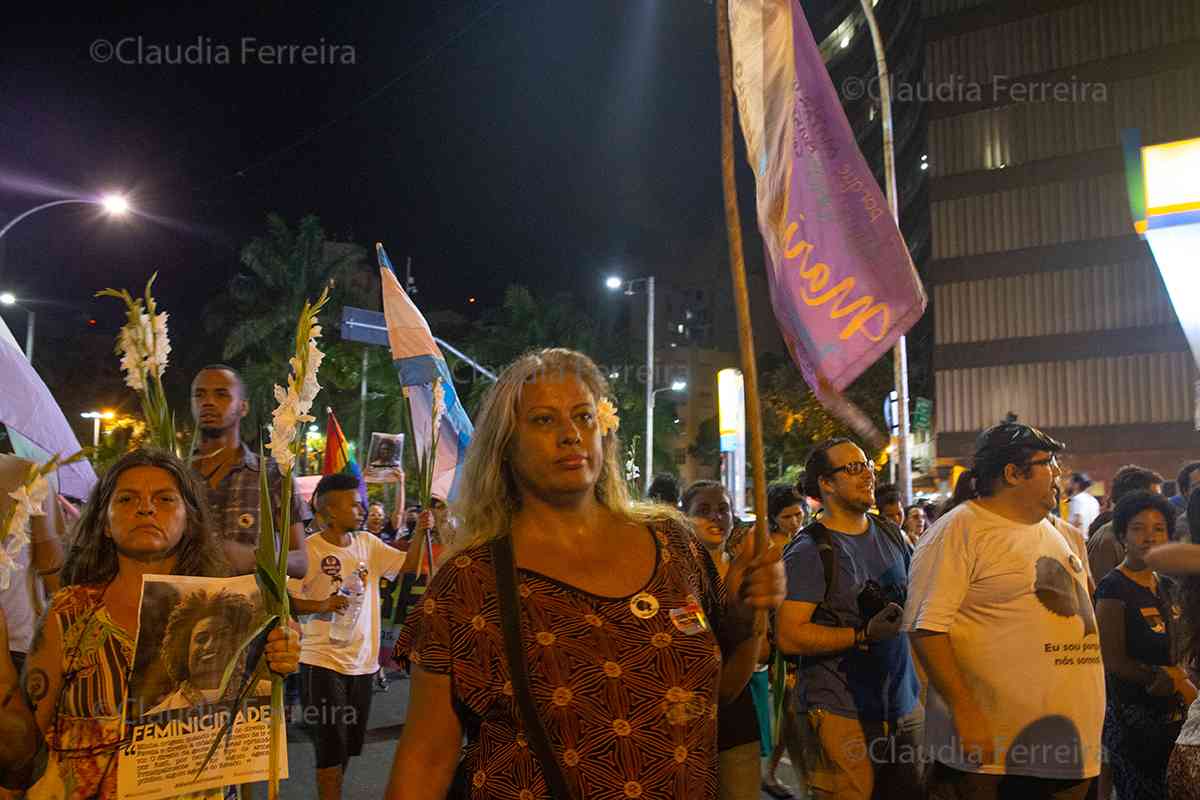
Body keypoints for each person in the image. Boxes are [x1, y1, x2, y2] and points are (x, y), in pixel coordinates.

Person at [385, 348, 784, 800]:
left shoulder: (675, 544)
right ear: (505, 446)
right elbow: (425, 758)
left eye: (583, 416)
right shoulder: (468, 583)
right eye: (543, 421)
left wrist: (749, 617)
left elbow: (715, 698)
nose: (571, 434)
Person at [0, 449, 300, 798]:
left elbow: (245, 727)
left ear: (190, 520)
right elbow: (25, 748)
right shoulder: (69, 612)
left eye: (165, 498)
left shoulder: (232, 611)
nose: (146, 508)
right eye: (127, 498)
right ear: (105, 523)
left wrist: (277, 660)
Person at [904, 422, 1102, 799]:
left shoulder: (1053, 530)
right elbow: (926, 627)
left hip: (1069, 748)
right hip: (997, 757)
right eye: (1048, 462)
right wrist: (966, 712)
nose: (1059, 472)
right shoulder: (961, 529)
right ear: (1012, 473)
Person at [776, 439, 921, 800]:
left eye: (868, 465)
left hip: (903, 706)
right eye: (853, 468)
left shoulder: (891, 534)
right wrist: (861, 634)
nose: (868, 475)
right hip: (840, 712)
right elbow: (789, 636)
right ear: (826, 483)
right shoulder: (810, 550)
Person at [289, 472, 421, 800]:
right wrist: (324, 603)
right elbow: (288, 600)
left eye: (362, 504)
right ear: (331, 511)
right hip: (321, 661)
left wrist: (423, 531)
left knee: (346, 743)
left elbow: (410, 564)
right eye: (355, 504)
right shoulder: (309, 551)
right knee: (330, 744)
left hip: (363, 665)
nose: (362, 509)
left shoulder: (369, 545)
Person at [1095, 491, 1195, 799]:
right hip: (1133, 725)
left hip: (1175, 718)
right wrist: (1162, 677)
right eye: (1138, 528)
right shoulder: (1113, 587)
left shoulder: (1168, 585)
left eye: (1158, 528)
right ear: (1122, 534)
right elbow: (1112, 659)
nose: (1149, 537)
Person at [682, 480, 764, 800]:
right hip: (687, 720)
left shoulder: (748, 576)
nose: (716, 517)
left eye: (723, 509)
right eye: (703, 510)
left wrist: (753, 618)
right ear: (684, 516)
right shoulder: (674, 575)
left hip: (737, 721)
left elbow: (765, 650)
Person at [190, 364, 309, 578]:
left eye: (221, 394)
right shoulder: (176, 474)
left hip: (251, 608)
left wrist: (254, 557)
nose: (207, 402)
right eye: (199, 395)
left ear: (243, 407)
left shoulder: (273, 474)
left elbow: (301, 561)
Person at [150, 588, 270, 712]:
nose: (211, 646)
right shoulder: (158, 715)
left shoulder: (270, 693)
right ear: (184, 651)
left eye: (222, 636)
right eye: (201, 639)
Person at [762, 483, 809, 800]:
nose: (796, 520)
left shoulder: (804, 542)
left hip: (800, 635)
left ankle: (779, 774)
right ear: (774, 518)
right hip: (779, 641)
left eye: (799, 513)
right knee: (788, 710)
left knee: (792, 713)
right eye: (788, 516)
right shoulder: (770, 550)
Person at [0, 454, 66, 676]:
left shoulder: (30, 475)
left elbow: (51, 565)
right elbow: (51, 565)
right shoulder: (27, 473)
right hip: (16, 642)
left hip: (14, 645)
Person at [1087, 465, 1164, 586]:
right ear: (1132, 499)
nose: (1161, 504)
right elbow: (1100, 594)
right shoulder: (1108, 540)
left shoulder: (1152, 535)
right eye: (1154, 498)